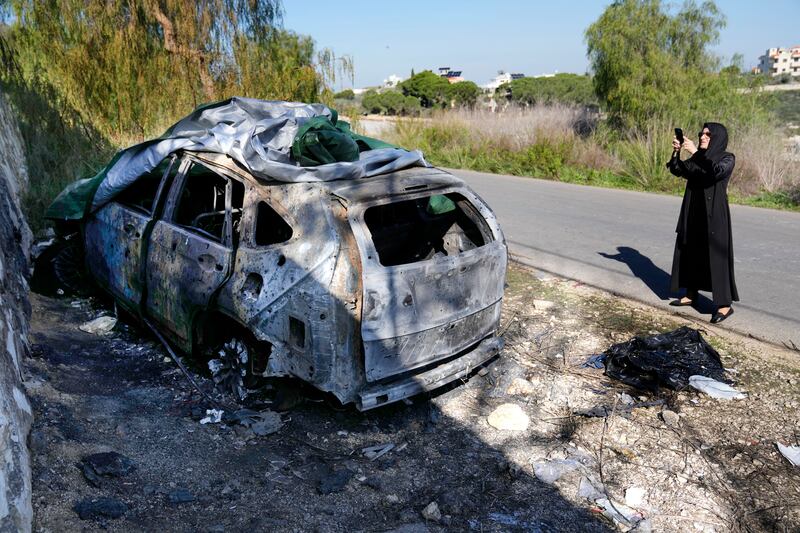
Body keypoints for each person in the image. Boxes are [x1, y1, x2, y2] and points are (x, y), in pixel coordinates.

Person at [666, 122, 738, 323]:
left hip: (714, 216)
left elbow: (715, 173)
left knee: (716, 257)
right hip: (693, 212)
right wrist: (676, 153)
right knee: (692, 252)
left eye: (708, 134)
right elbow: (678, 170)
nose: (703, 136)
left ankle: (724, 305)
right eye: (701, 133)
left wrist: (698, 152)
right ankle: (691, 293)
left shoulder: (727, 158)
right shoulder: (698, 157)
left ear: (718, 137)